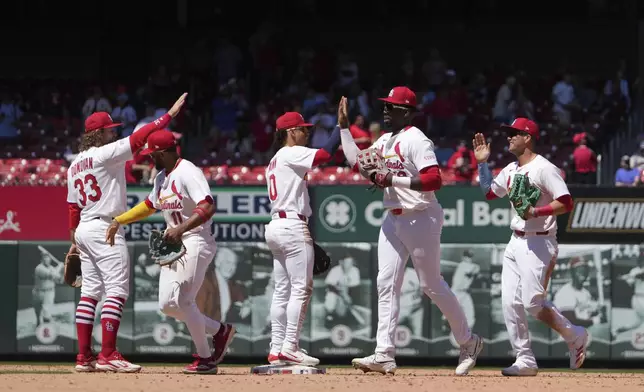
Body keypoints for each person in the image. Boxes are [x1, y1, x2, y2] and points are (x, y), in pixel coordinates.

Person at [340, 86, 482, 376]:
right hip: (393, 218)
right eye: (384, 106)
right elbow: (358, 161)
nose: (384, 110)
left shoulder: (417, 140)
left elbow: (434, 180)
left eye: (390, 107)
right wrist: (344, 128)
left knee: (430, 285)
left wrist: (392, 179)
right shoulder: (384, 140)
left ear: (405, 112)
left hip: (421, 216)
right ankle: (384, 354)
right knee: (385, 283)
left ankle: (469, 342)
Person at [67, 92, 187, 373]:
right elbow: (140, 137)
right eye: (109, 130)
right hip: (105, 227)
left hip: (84, 227)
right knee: (117, 290)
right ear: (97, 134)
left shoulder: (74, 164)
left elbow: (72, 207)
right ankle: (108, 353)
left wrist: (73, 240)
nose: (112, 134)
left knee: (90, 293)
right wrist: (167, 116)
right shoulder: (104, 153)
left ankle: (84, 357)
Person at [106, 130, 235, 374]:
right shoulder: (161, 177)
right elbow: (148, 206)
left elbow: (207, 205)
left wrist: (182, 228)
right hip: (174, 243)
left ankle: (205, 358)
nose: (149, 158)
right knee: (168, 305)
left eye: (152, 154)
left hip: (196, 240)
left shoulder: (188, 171)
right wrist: (119, 220)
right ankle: (220, 331)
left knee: (185, 301)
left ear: (163, 152)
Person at [473, 117, 588, 377]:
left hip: (540, 240)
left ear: (528, 137)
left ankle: (574, 335)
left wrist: (538, 210)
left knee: (533, 304)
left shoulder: (543, 168)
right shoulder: (511, 168)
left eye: (514, 133)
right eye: (508, 133)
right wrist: (482, 163)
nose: (509, 137)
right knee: (508, 303)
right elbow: (489, 192)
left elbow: (567, 202)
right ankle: (524, 359)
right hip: (515, 240)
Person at [264, 107, 342, 366]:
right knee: (301, 289)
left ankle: (276, 348)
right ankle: (290, 346)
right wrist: (340, 127)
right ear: (290, 132)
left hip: (276, 225)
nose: (307, 133)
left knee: (282, 290)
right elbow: (326, 154)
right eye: (303, 129)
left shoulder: (275, 159)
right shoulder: (290, 153)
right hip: (292, 226)